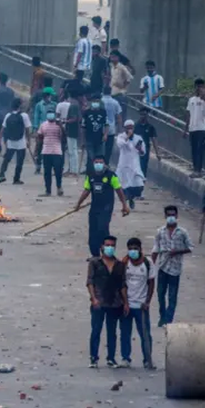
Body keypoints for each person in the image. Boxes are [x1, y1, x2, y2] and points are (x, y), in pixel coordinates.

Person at [75, 155, 130, 258]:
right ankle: (95, 254)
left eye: (100, 162)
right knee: (93, 230)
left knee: (102, 228)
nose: (98, 165)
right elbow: (87, 190)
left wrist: (124, 205)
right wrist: (78, 204)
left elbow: (119, 190)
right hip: (95, 207)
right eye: (96, 162)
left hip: (107, 207)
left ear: (105, 164)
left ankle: (106, 252)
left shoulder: (111, 176)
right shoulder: (90, 176)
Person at [86, 235, 128, 368]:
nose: (109, 248)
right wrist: (93, 298)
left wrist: (125, 302)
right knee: (96, 331)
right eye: (107, 245)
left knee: (112, 332)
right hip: (99, 302)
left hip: (114, 303)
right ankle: (94, 357)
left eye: (112, 246)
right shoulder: (94, 263)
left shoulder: (120, 265)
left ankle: (111, 358)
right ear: (102, 247)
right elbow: (90, 281)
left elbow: (122, 285)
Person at [151, 205, 193, 327]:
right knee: (160, 294)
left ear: (177, 216)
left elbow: (190, 247)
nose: (171, 217)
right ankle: (162, 315)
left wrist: (178, 251)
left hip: (175, 269)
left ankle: (168, 319)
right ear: (165, 216)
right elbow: (156, 248)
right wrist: (152, 265)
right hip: (163, 267)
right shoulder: (160, 232)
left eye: (173, 215)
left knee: (172, 296)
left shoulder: (183, 232)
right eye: (169, 215)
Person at [121, 237, 156, 370]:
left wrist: (147, 302)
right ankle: (125, 358)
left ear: (140, 249)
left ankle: (147, 359)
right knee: (125, 332)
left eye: (135, 248)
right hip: (127, 305)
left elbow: (151, 283)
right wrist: (125, 302)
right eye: (130, 249)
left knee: (145, 334)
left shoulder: (148, 263)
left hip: (141, 306)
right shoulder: (124, 263)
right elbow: (122, 283)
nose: (133, 251)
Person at [0, 98, 31, 185]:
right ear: (20, 105)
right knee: (19, 161)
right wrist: (28, 141)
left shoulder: (8, 115)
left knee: (6, 159)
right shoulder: (24, 116)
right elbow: (27, 130)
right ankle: (16, 179)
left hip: (10, 142)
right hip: (21, 142)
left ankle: (2, 175)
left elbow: (3, 129)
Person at [184, 78, 205, 177]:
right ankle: (196, 169)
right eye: (197, 86)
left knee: (200, 149)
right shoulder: (191, 99)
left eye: (201, 87)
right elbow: (188, 114)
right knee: (194, 150)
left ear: (204, 88)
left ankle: (199, 170)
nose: (199, 89)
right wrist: (185, 129)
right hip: (192, 128)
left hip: (202, 128)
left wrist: (204, 98)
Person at [116, 120, 146, 209]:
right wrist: (128, 136)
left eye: (131, 127)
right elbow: (120, 145)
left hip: (134, 164)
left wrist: (140, 149)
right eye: (128, 127)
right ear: (124, 128)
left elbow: (143, 152)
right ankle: (126, 200)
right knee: (124, 184)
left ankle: (131, 198)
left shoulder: (138, 138)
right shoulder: (121, 136)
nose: (130, 129)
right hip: (124, 164)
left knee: (139, 184)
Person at [37, 108, 65, 196]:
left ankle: (59, 187)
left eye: (52, 113)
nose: (50, 115)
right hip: (46, 151)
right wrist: (37, 150)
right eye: (49, 113)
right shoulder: (43, 125)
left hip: (57, 151)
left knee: (58, 171)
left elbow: (64, 137)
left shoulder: (59, 125)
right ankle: (48, 190)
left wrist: (60, 125)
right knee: (47, 172)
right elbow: (40, 138)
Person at [81, 96, 109, 174]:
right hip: (89, 139)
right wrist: (83, 140)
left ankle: (100, 173)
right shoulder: (86, 112)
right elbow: (83, 128)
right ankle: (90, 174)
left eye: (97, 101)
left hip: (100, 139)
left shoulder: (103, 112)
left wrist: (105, 134)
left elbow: (106, 124)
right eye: (94, 101)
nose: (95, 103)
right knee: (91, 158)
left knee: (100, 157)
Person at [56, 90, 82, 176]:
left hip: (71, 130)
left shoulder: (73, 106)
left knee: (72, 151)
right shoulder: (75, 105)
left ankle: (73, 171)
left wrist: (64, 121)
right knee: (72, 150)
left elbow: (74, 119)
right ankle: (72, 169)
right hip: (72, 130)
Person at [134, 107, 161, 180]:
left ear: (147, 115)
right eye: (141, 114)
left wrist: (157, 153)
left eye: (144, 114)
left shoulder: (150, 127)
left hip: (145, 150)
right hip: (135, 150)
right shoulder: (135, 126)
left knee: (143, 166)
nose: (143, 116)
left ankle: (142, 180)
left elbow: (154, 140)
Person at [101, 86, 122, 165]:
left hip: (100, 128)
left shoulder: (100, 101)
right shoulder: (115, 102)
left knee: (100, 148)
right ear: (111, 92)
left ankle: (98, 164)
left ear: (103, 91)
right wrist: (119, 131)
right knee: (108, 149)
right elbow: (119, 118)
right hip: (111, 128)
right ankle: (106, 164)